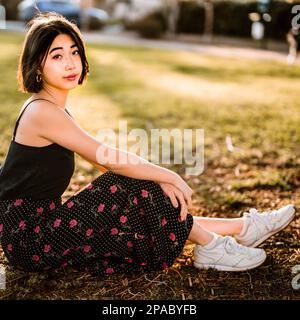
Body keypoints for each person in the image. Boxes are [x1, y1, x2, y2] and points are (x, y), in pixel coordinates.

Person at [0, 13, 296, 276]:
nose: (70, 63)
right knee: (131, 183)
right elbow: (110, 158)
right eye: (57, 55)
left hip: (40, 227)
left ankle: (239, 230)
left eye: (74, 52)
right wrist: (168, 176)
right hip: (29, 238)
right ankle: (215, 245)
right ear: (37, 63)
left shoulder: (52, 107)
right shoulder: (42, 111)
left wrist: (153, 177)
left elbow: (103, 161)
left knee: (139, 194)